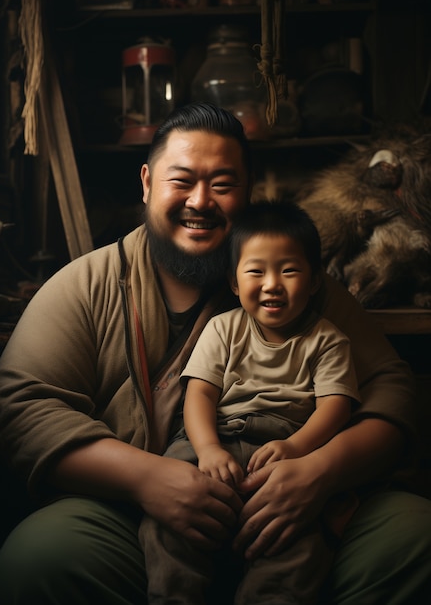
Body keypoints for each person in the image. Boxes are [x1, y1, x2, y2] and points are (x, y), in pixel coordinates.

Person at [0, 103, 431, 605]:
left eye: (223, 184)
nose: (201, 201)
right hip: (136, 517)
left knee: (416, 538)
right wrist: (149, 479)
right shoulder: (89, 285)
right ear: (147, 182)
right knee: (40, 556)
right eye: (182, 181)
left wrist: (320, 471)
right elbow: (23, 407)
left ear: (249, 190)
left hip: (298, 508)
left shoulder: (300, 289)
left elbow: (391, 390)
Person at [139, 199, 361, 604]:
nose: (272, 283)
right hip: (214, 440)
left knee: (299, 544)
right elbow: (199, 394)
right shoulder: (223, 329)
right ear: (234, 282)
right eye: (256, 271)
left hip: (287, 452)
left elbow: (335, 407)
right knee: (168, 523)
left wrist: (296, 447)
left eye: (289, 270)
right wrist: (206, 450)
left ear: (314, 281)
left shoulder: (327, 340)